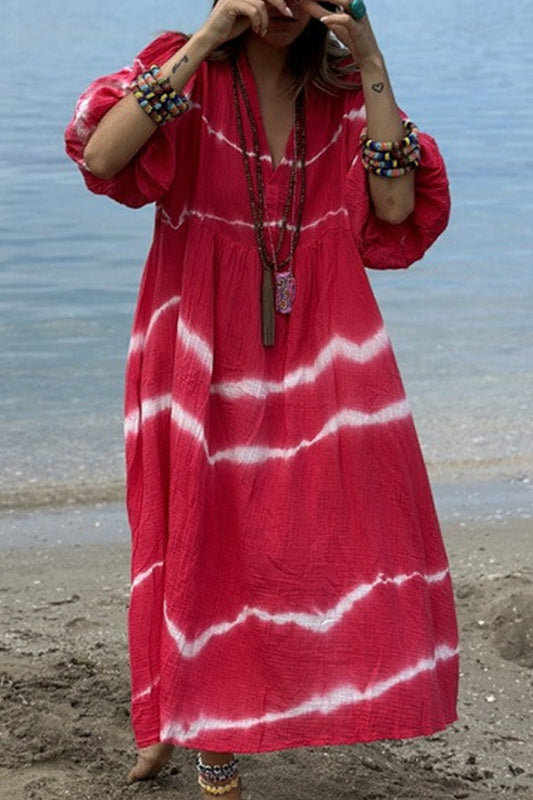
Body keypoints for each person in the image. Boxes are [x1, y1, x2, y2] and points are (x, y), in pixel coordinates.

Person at [65, 0, 459, 797]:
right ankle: (198, 730)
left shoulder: (343, 90)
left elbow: (391, 209)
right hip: (197, 336)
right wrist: (211, 33)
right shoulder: (188, 67)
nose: (280, 5)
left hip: (325, 339)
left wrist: (370, 56)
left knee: (342, 523)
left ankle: (241, 706)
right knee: (201, 531)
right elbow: (103, 156)